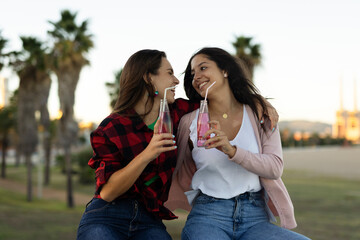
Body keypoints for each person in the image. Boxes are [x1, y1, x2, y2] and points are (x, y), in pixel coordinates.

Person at [77, 49, 278, 240]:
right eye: (170, 73)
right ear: (148, 78)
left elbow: (221, 100)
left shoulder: (179, 113)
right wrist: (148, 153)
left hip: (149, 219)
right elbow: (108, 192)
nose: (176, 80)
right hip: (108, 214)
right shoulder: (112, 127)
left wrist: (258, 101)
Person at [165, 47, 311, 240]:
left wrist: (231, 150)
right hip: (208, 215)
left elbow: (274, 168)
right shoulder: (189, 121)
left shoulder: (260, 114)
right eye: (193, 74)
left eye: (203, 68)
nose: (197, 77)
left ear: (225, 70)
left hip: (255, 217)